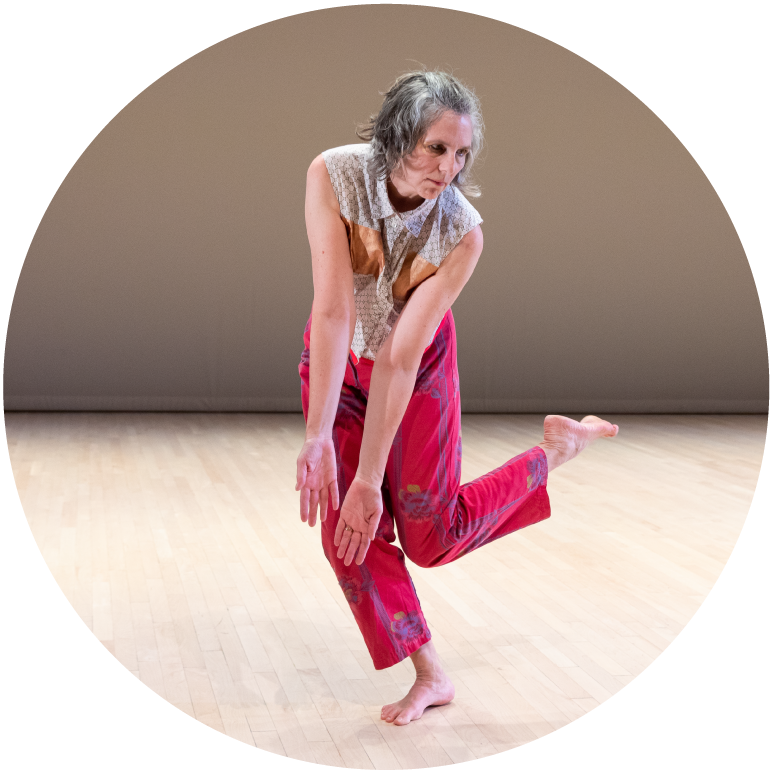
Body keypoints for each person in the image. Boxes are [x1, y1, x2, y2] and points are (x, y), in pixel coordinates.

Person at [295, 70, 618, 726]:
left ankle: (554, 454)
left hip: (416, 364)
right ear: (398, 135)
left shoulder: (462, 234)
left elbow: (399, 356)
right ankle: (431, 674)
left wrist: (366, 477)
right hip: (339, 356)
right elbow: (331, 311)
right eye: (437, 148)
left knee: (431, 537)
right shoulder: (333, 175)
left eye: (461, 153)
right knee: (344, 533)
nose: (450, 166)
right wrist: (318, 437)